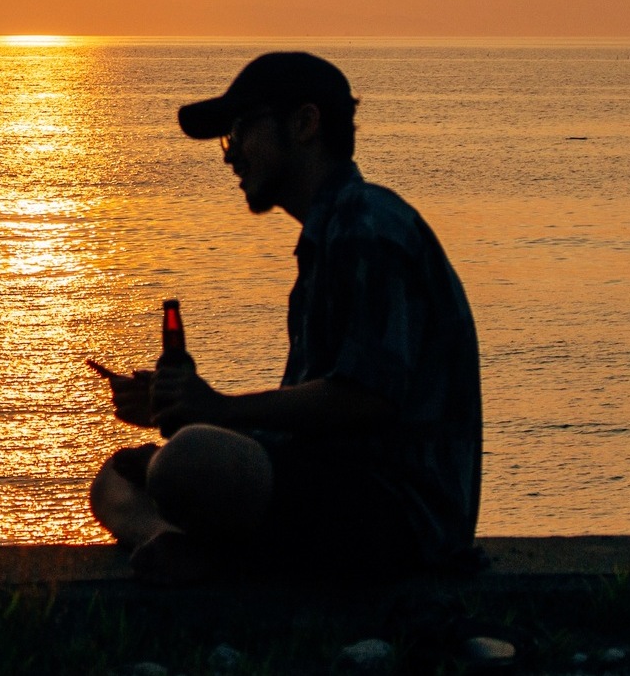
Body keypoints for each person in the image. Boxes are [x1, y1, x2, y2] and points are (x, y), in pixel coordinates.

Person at [89, 52, 481, 584]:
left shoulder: (369, 228)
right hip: (326, 486)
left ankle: (217, 558)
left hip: (394, 514)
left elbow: (366, 398)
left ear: (304, 123)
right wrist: (186, 408)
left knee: (191, 461)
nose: (230, 156)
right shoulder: (325, 240)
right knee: (118, 475)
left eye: (240, 130)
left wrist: (220, 412)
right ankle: (170, 542)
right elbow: (309, 421)